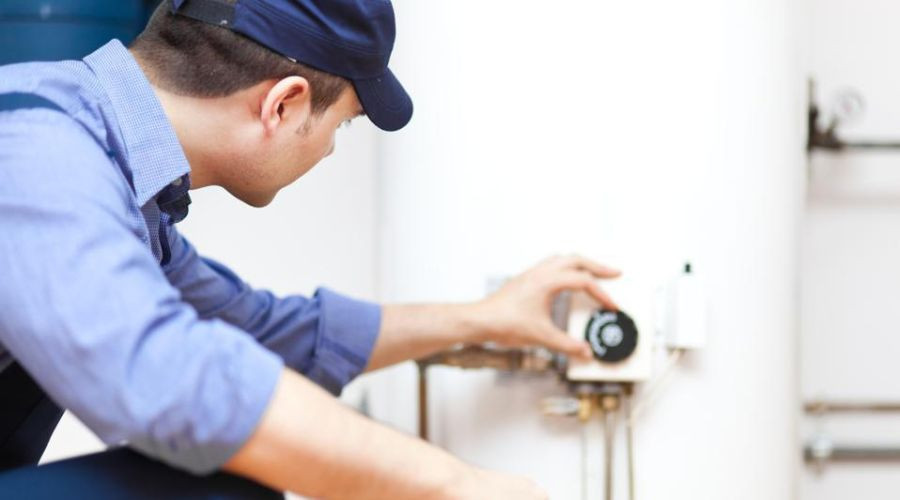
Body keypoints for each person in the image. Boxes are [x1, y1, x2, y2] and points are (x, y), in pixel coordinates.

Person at [0, 1, 620, 498]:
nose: (328, 150)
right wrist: (455, 485)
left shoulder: (125, 183)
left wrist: (483, 320)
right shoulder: (37, 148)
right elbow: (171, 378)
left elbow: (263, 332)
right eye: (341, 125)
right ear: (285, 103)